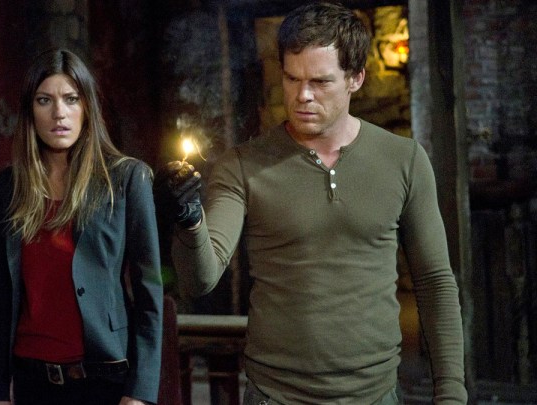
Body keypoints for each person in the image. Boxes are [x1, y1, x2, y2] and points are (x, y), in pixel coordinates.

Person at [154, 2, 467, 404]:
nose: (302, 95)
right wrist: (190, 219)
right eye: (292, 78)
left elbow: (435, 282)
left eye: (320, 82)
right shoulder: (243, 165)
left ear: (355, 78)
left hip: (374, 395)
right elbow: (200, 279)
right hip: (276, 396)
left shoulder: (403, 160)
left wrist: (451, 393)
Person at [0, 49, 163, 405]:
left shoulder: (126, 179)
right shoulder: (9, 187)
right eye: (44, 100)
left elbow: (150, 292)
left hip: (104, 381)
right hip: (32, 382)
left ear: (87, 107)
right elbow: (0, 299)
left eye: (71, 99)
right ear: (30, 111)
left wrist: (140, 392)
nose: (59, 113)